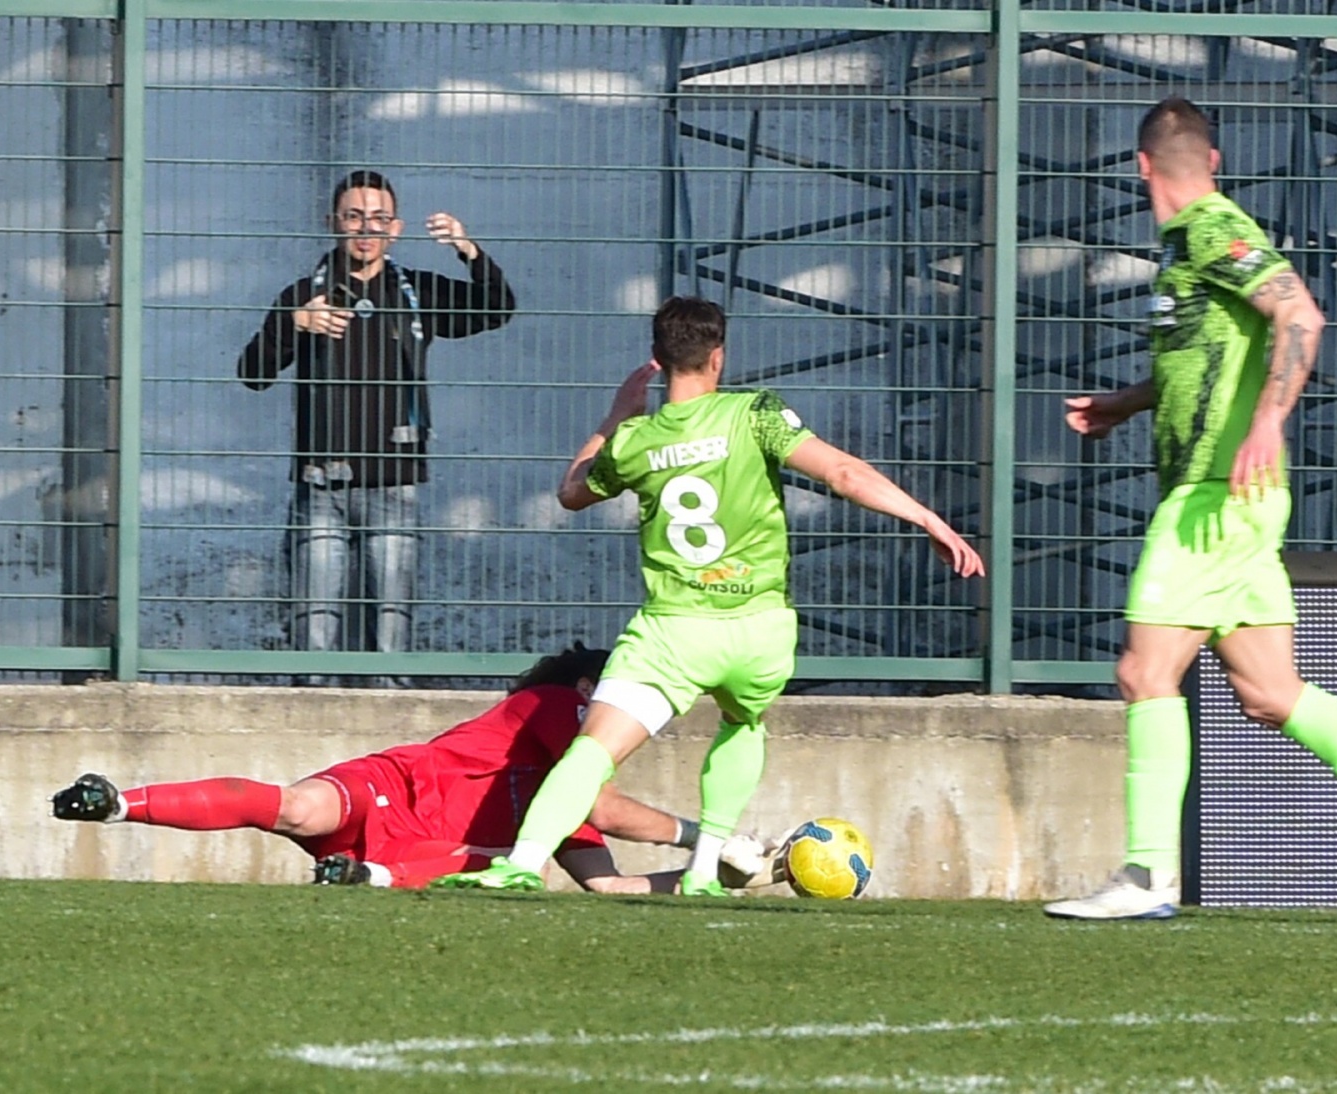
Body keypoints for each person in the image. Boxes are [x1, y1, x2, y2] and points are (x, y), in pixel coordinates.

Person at [433, 296, 984, 896]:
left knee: (594, 750)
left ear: (658, 358)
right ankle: (701, 872)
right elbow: (844, 474)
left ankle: (522, 864)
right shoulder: (755, 414)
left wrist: (614, 417)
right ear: (717, 356)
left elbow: (571, 492)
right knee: (742, 724)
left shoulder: (635, 441)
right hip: (759, 626)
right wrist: (927, 518)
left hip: (675, 629)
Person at [1044, 97, 1337, 921]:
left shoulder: (1212, 230)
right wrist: (1127, 402)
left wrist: (1268, 421)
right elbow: (1207, 359)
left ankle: (1147, 876)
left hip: (1213, 498)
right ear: (1214, 159)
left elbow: (1299, 313)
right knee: (1271, 692)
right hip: (1236, 503)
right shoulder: (1186, 247)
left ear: (1140, 167)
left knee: (1144, 673)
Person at [51, 643, 767, 893]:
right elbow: (607, 808)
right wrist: (705, 836)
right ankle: (118, 802)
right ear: (590, 689)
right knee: (297, 808)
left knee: (496, 865)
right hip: (394, 785)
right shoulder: (553, 705)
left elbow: (609, 885)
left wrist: (718, 876)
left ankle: (362, 877)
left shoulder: (563, 801)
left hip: (420, 854)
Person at [237, 170, 516, 674]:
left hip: (395, 483)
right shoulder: (306, 295)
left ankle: (389, 712)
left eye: (379, 218)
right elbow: (253, 375)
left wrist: (467, 249)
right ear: (333, 222)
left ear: (396, 228)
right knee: (312, 636)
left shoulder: (416, 293)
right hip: (320, 485)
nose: (367, 227)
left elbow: (496, 309)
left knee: (391, 640)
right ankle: (313, 709)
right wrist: (292, 324)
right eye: (354, 216)